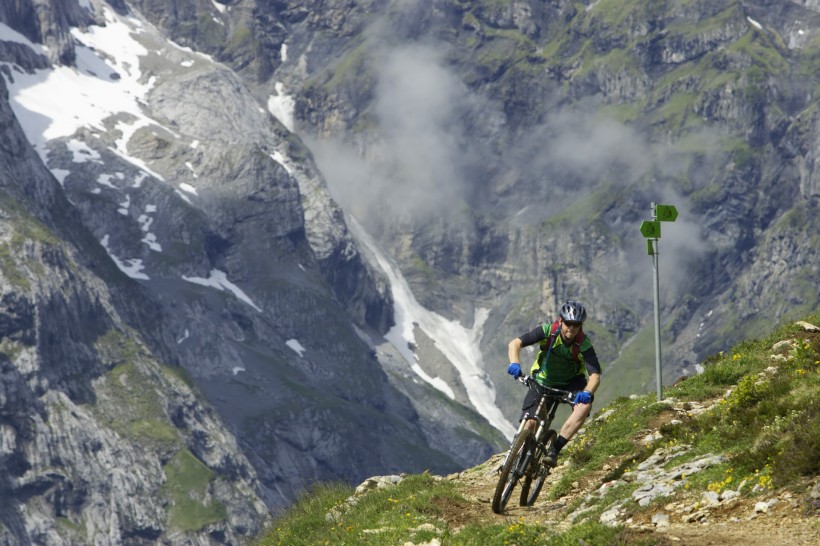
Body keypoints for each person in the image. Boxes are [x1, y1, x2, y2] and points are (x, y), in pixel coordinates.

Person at [506, 300, 602, 467]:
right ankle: (517, 458)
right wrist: (514, 363)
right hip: (543, 380)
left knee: (584, 407)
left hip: (571, 383)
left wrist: (587, 392)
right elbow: (515, 344)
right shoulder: (548, 331)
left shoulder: (583, 343)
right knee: (530, 423)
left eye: (576, 325)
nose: (571, 328)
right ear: (561, 321)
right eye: (568, 323)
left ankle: (555, 450)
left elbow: (595, 375)